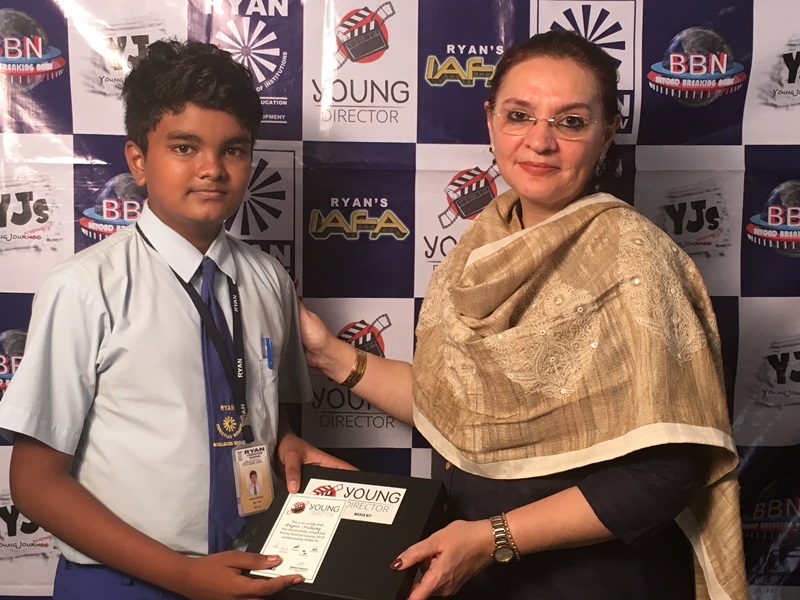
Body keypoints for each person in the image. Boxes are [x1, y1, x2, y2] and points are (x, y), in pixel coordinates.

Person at [299, 30, 746, 600]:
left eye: (571, 122)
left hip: (595, 582)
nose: (540, 141)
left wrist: (493, 539)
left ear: (607, 132)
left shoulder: (634, 259)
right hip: (479, 571)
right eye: (519, 115)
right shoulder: (482, 246)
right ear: (490, 121)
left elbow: (669, 468)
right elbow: (460, 407)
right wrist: (329, 355)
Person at [0, 40, 351, 600]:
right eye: (184, 147)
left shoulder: (269, 280)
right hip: (121, 583)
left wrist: (285, 442)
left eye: (233, 150)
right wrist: (183, 576)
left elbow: (266, 413)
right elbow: (34, 483)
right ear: (138, 160)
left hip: (250, 571)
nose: (212, 169)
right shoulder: (84, 288)